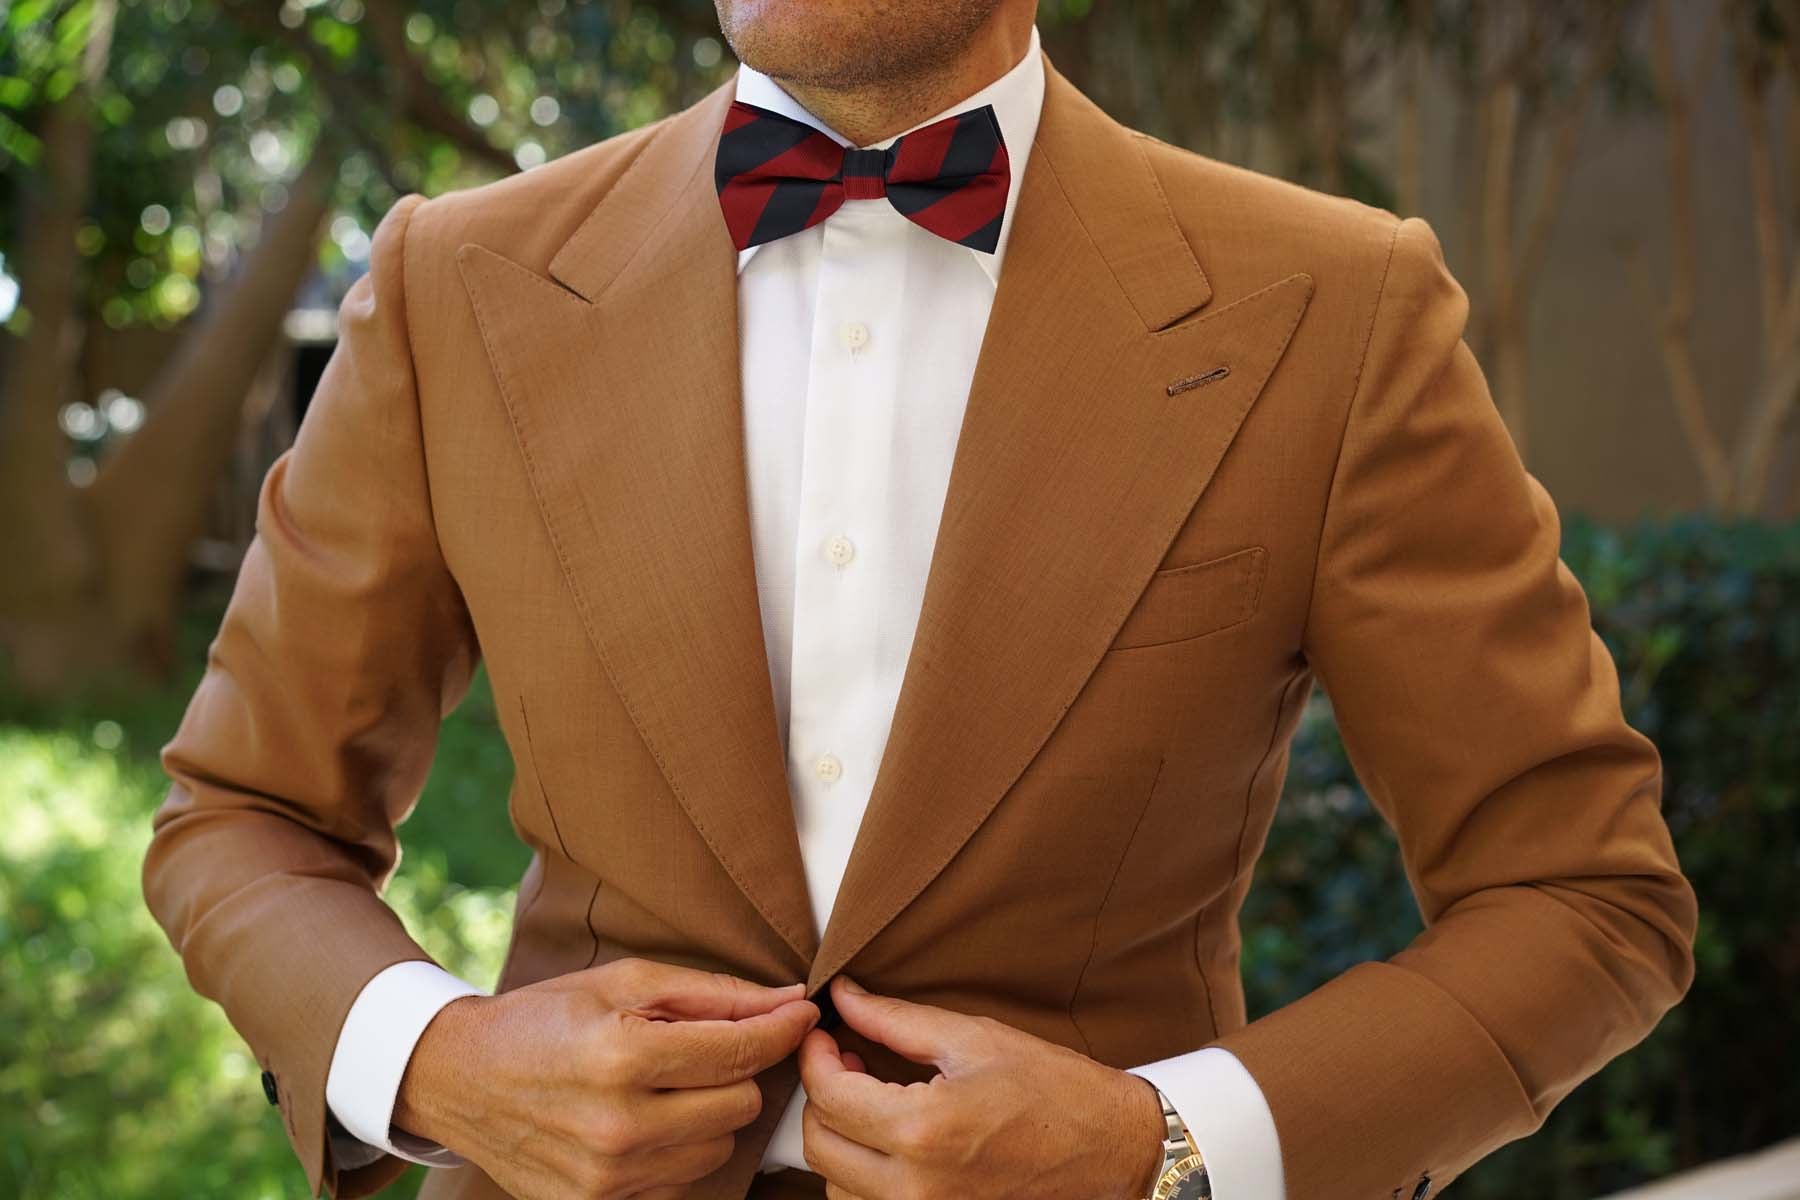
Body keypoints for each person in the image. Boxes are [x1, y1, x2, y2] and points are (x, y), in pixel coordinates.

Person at [142, 2, 1699, 1198]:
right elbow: (244, 815)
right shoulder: (451, 284)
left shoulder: (1338, 310)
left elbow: (1583, 897)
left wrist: (1163, 1144)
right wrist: (440, 1061)